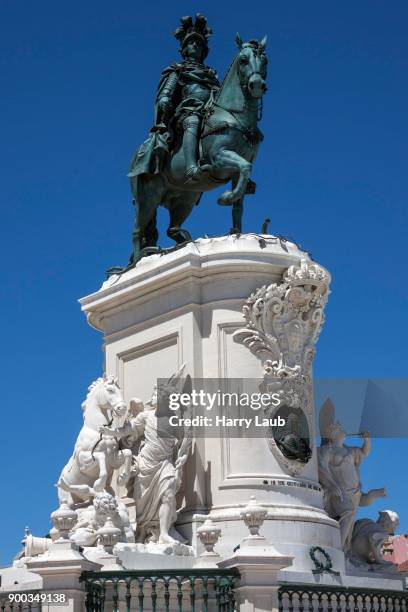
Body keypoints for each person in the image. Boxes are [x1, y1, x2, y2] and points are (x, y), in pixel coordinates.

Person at [129, 14, 220, 184]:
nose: (195, 45)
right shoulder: (177, 70)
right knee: (192, 120)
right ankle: (191, 166)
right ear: (185, 48)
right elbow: (167, 90)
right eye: (191, 43)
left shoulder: (212, 75)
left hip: (209, 112)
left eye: (198, 44)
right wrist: (164, 98)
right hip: (186, 112)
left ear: (203, 50)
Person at [318, 422, 386, 553]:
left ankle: (343, 550)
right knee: (347, 515)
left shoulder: (350, 450)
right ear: (332, 433)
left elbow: (365, 452)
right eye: (339, 429)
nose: (343, 430)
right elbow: (321, 468)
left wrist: (367, 440)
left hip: (355, 493)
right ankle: (335, 550)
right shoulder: (326, 450)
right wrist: (330, 485)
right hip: (339, 492)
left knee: (349, 525)